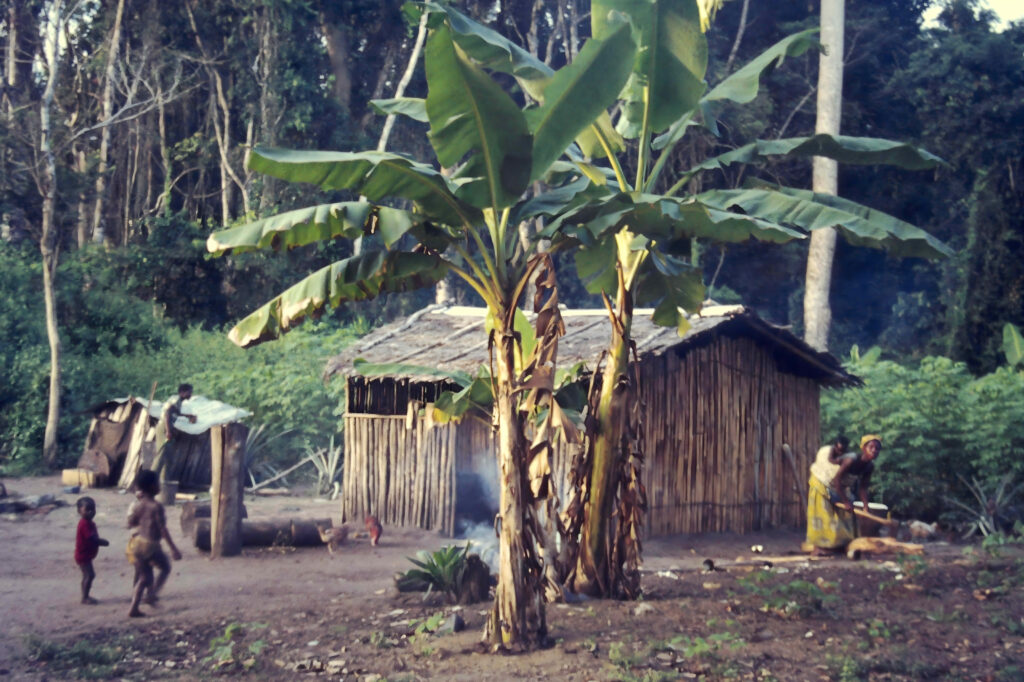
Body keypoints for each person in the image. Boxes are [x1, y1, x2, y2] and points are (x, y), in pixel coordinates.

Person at [805, 434, 881, 556]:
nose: (874, 450)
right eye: (871, 447)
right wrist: (845, 501)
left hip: (840, 487)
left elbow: (863, 488)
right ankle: (818, 547)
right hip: (824, 481)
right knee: (824, 514)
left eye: (877, 448)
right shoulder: (851, 460)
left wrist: (866, 507)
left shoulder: (869, 466)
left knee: (847, 515)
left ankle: (840, 545)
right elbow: (836, 479)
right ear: (863, 448)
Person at [126, 470, 182, 617]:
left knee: (144, 577)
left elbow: (130, 523)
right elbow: (163, 530)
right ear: (152, 487)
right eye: (158, 483)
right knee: (165, 567)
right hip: (150, 544)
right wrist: (173, 549)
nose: (160, 486)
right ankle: (152, 595)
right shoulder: (156, 507)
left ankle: (134, 607)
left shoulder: (139, 505)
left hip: (136, 544)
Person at [151, 383, 197, 481]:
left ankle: (164, 481)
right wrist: (168, 431)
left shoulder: (178, 401)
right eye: (189, 392)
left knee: (167, 455)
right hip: (164, 427)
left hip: (167, 427)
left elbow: (175, 412)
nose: (191, 395)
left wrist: (187, 416)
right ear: (182, 392)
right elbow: (168, 414)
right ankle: (150, 479)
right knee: (162, 453)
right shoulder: (176, 400)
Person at [74, 497, 109, 604]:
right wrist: (102, 542)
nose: (91, 512)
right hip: (83, 555)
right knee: (89, 575)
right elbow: (91, 538)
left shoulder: (89, 523)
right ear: (80, 511)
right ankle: (85, 597)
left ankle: (85, 596)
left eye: (93, 509)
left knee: (87, 575)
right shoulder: (84, 524)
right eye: (87, 510)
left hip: (86, 554)